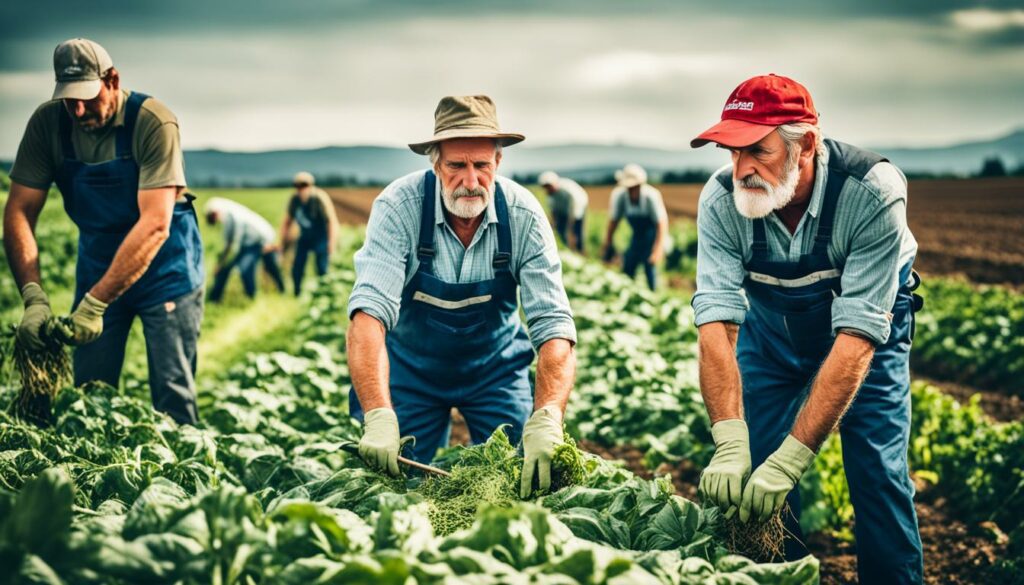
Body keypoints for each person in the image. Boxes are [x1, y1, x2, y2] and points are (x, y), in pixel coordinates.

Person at [689, 74, 923, 584]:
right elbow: (717, 326)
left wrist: (795, 457)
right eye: (732, 152)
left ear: (807, 146)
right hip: (771, 334)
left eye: (758, 150)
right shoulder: (719, 201)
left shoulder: (870, 193)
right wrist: (730, 439)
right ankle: (777, 574)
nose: (741, 169)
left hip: (868, 338)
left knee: (877, 473)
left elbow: (859, 337)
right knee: (754, 469)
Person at [346, 95, 577, 498]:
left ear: (498, 163)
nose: (470, 181)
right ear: (435, 163)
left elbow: (554, 326)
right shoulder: (399, 208)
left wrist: (549, 417)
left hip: (495, 371)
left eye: (481, 166)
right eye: (456, 166)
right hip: (411, 372)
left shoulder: (522, 215)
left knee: (518, 483)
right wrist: (379, 415)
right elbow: (368, 316)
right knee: (394, 488)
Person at [4, 38, 204, 424]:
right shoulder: (48, 125)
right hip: (98, 265)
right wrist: (33, 296)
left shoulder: (151, 121)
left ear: (112, 79)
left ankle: (183, 477)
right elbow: (18, 211)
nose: (78, 110)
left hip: (166, 271)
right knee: (89, 395)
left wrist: (96, 304)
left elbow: (155, 224)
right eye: (68, 99)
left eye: (87, 97)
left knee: (172, 391)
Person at [204, 197, 285, 302]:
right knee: (226, 269)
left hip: (259, 241)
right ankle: (215, 298)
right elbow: (227, 243)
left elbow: (234, 246)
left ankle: (254, 296)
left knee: (249, 267)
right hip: (246, 244)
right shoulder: (227, 219)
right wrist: (221, 262)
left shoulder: (234, 217)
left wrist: (222, 262)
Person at [602, 164, 668, 290]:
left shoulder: (651, 196)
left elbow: (661, 223)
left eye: (635, 187)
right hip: (637, 236)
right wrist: (608, 243)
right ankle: (629, 293)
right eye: (629, 188)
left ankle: (653, 296)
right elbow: (613, 221)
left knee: (650, 267)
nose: (632, 190)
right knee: (629, 264)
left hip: (652, 236)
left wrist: (658, 249)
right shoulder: (620, 197)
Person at [279, 171, 338, 295]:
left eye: (304, 186)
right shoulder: (294, 200)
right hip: (305, 236)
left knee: (321, 267)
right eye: (298, 186)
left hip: (321, 236)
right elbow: (287, 222)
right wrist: (282, 244)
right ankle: (297, 293)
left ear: (311, 185)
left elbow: (331, 222)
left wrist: (331, 244)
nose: (301, 189)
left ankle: (323, 294)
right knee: (297, 265)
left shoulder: (319, 198)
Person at [538, 171, 588, 253]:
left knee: (577, 231)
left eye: (549, 187)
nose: (547, 190)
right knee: (560, 230)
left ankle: (580, 250)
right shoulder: (551, 196)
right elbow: (553, 213)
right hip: (563, 210)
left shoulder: (568, 190)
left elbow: (576, 208)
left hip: (578, 206)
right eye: (545, 187)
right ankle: (565, 248)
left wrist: (572, 228)